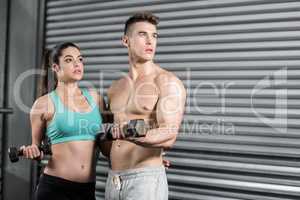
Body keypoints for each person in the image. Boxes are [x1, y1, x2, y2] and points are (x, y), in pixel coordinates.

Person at [105, 11, 186, 200]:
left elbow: (169, 134)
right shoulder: (115, 88)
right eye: (142, 34)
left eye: (154, 35)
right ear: (126, 41)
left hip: (145, 180)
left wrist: (128, 135)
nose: (150, 41)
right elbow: (107, 139)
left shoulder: (166, 81)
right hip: (113, 179)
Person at [21, 42, 110, 200]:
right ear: (56, 68)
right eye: (69, 60)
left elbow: (107, 148)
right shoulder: (43, 104)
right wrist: (32, 151)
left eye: (80, 59)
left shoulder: (96, 99)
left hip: (87, 190)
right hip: (55, 189)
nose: (77, 64)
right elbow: (36, 149)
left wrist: (149, 157)